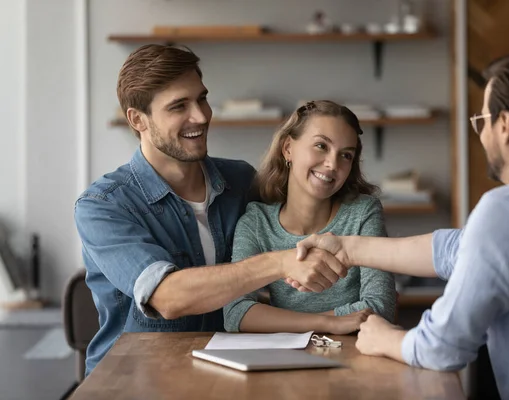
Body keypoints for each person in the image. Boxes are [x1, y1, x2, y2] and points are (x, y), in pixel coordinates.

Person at [291, 51, 509, 399]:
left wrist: (384, 337)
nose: (481, 134)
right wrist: (346, 248)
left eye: (482, 120)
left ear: (505, 125)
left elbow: (441, 348)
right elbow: (457, 249)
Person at [74, 45, 347, 375]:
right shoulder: (103, 205)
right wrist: (279, 262)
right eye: (179, 106)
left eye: (202, 99)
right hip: (133, 379)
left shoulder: (242, 180)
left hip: (228, 372)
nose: (202, 116)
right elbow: (167, 297)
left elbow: (300, 229)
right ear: (138, 119)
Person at [223, 100, 397, 334]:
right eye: (321, 146)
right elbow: (235, 314)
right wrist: (326, 323)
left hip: (354, 355)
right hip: (283, 357)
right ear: (288, 149)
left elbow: (380, 306)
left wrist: (283, 321)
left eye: (346, 155)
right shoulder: (256, 223)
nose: (332, 164)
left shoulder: (363, 212)